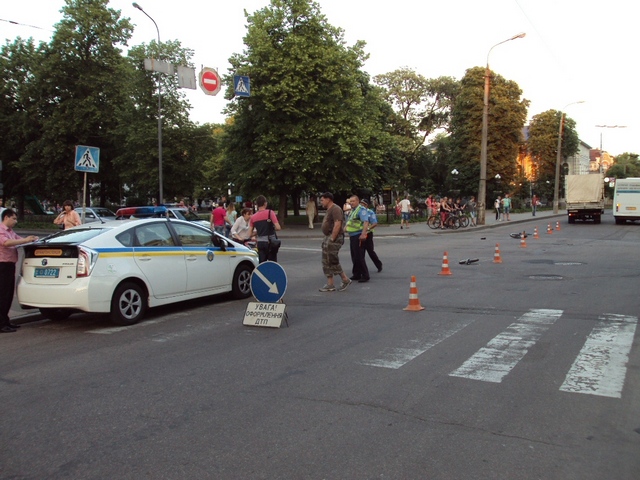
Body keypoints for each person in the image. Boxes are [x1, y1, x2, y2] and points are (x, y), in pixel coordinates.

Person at [0, 209, 39, 333]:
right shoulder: (1, 230)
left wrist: (31, 239)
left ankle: (5, 320)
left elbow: (19, 239)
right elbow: (6, 243)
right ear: (6, 217)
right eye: (14, 218)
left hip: (10, 265)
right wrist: (25, 240)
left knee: (8, 294)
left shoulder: (10, 231)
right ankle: (1, 323)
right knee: (3, 294)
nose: (15, 221)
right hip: (2, 265)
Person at [318, 192, 351, 292]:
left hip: (334, 237)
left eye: (322, 200)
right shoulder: (329, 209)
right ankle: (330, 284)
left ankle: (345, 279)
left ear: (328, 199)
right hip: (328, 236)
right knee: (326, 260)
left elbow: (338, 224)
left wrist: (332, 238)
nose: (321, 202)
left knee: (332, 259)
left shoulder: (335, 209)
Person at [345, 195, 370, 283]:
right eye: (350, 201)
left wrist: (363, 234)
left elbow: (365, 222)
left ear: (358, 201)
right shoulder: (353, 210)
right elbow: (350, 222)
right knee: (354, 256)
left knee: (359, 256)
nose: (351, 203)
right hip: (352, 235)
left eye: (353, 201)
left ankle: (365, 275)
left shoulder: (361, 210)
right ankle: (356, 274)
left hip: (358, 235)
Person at [249, 195, 281, 263]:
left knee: (262, 263)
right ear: (265, 203)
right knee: (272, 263)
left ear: (257, 205)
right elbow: (278, 227)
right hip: (270, 242)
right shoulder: (270, 213)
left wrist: (259, 231)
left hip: (260, 243)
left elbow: (250, 234)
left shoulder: (253, 217)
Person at [360, 199, 382, 273]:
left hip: (368, 234)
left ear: (366, 205)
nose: (361, 205)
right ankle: (362, 269)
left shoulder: (370, 212)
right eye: (361, 203)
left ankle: (379, 265)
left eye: (363, 204)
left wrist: (368, 228)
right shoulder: (359, 211)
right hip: (360, 233)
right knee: (361, 252)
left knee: (370, 251)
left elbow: (374, 223)